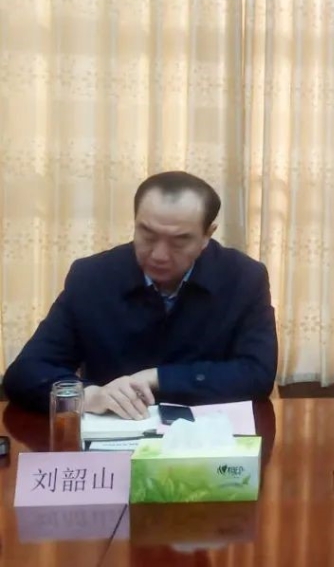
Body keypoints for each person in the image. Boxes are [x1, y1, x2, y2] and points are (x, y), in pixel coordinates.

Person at [3, 171, 278, 417]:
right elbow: (26, 373)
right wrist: (89, 396)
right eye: (147, 235)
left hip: (206, 438)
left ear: (207, 235)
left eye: (179, 241)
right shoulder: (93, 277)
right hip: (113, 436)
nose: (159, 255)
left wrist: (157, 378)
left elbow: (257, 375)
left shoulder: (243, 278)